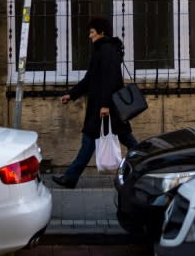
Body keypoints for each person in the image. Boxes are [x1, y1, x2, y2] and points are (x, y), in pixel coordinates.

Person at [52, 17, 138, 189]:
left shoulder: (106, 51)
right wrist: (72, 94)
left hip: (105, 107)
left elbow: (110, 80)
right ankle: (70, 177)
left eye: (92, 32)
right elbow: (90, 79)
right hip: (102, 106)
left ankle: (146, 165)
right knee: (95, 140)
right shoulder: (102, 50)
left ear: (101, 32)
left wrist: (105, 105)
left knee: (125, 141)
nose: (89, 36)